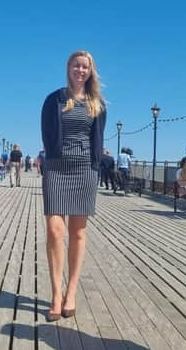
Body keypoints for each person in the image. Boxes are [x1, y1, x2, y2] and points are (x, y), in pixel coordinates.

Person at [41, 50, 106, 322]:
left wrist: (96, 167)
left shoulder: (96, 104)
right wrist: (50, 160)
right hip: (57, 167)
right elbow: (46, 133)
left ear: (90, 71)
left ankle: (71, 292)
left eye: (85, 67)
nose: (81, 70)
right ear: (68, 67)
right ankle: (56, 293)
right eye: (76, 65)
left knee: (78, 233)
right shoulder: (54, 99)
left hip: (84, 169)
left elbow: (98, 138)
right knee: (55, 230)